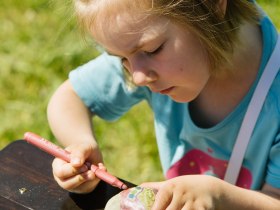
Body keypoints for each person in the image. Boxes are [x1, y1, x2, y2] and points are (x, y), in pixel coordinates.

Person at [48, 0, 280, 209]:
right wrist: (80, 145)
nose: (138, 77)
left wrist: (219, 197)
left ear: (210, 5)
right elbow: (70, 99)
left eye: (152, 50)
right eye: (121, 59)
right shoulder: (145, 55)